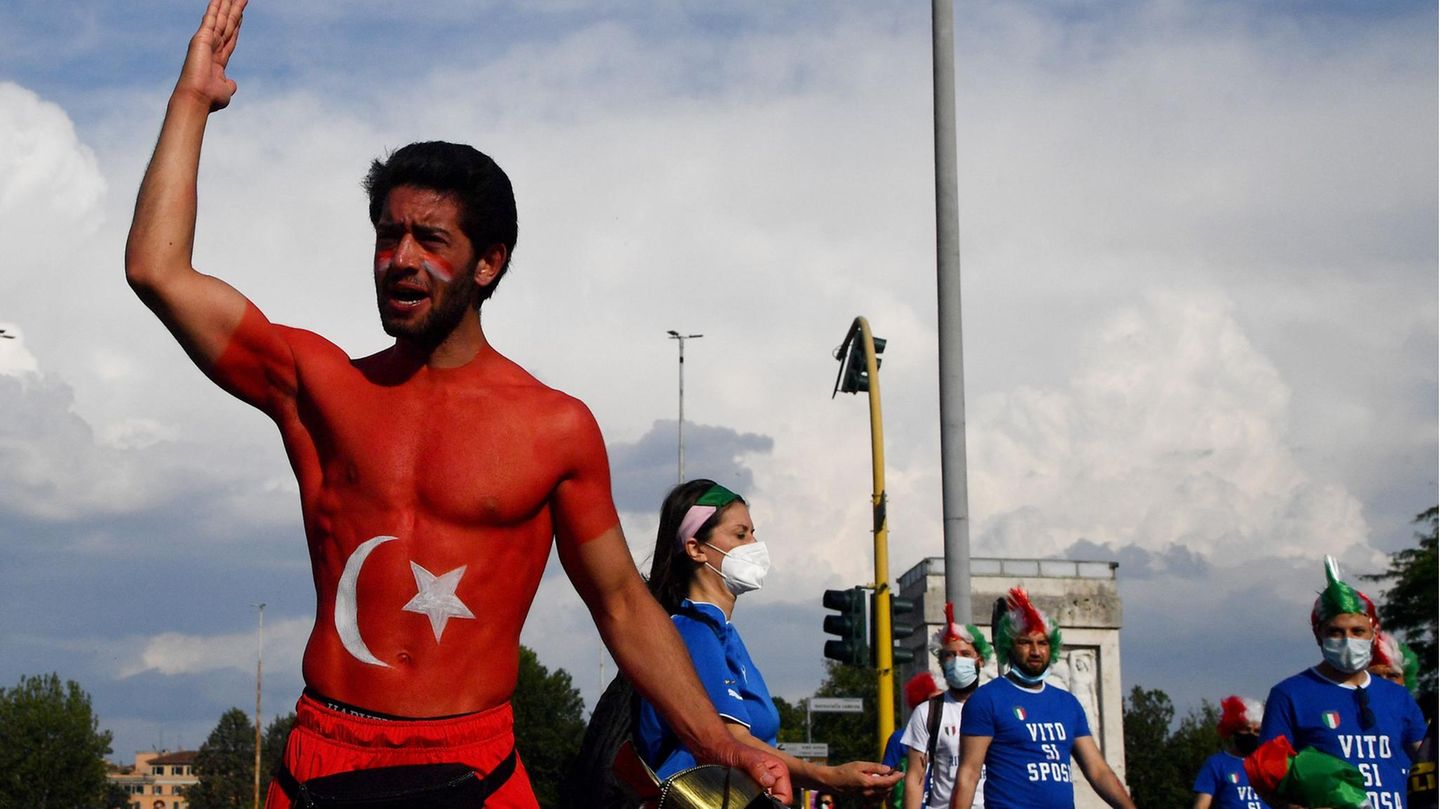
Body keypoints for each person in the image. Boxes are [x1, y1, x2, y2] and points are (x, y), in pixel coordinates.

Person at [124, 3, 790, 806]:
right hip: (323, 760)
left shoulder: (553, 426)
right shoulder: (322, 385)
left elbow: (620, 601)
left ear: (488, 263)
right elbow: (157, 269)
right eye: (387, 234)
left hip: (474, 767)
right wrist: (192, 98)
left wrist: (716, 741)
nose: (400, 259)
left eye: (430, 240)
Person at [633, 481, 900, 800]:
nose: (755, 545)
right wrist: (829, 777)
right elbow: (730, 742)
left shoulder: (724, 634)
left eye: (753, 533)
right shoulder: (692, 631)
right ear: (696, 549)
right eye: (740, 534)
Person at [1257, 556, 1425, 809]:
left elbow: (1427, 760)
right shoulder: (1290, 694)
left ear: (1373, 634)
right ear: (1318, 634)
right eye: (1336, 632)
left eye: (1358, 631)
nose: (1348, 639)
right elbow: (1265, 775)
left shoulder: (1397, 696)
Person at [949, 588, 1136, 809]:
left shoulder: (1068, 704)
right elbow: (968, 775)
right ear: (1009, 646)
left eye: (1043, 643)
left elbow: (1098, 770)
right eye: (1026, 642)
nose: (1036, 651)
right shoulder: (987, 699)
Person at [902, 605, 991, 809]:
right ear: (941, 662)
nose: (958, 661)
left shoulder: (997, 709)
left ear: (981, 660)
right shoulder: (928, 712)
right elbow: (915, 777)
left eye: (966, 654)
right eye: (950, 655)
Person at [1192, 696, 1270, 809]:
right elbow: (1202, 804)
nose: (1251, 734)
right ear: (1234, 729)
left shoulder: (1271, 763)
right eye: (1246, 729)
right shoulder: (1216, 763)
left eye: (1257, 731)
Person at [882, 672, 944, 809]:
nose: (940, 707)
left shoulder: (956, 735)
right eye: (934, 702)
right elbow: (886, 782)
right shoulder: (900, 738)